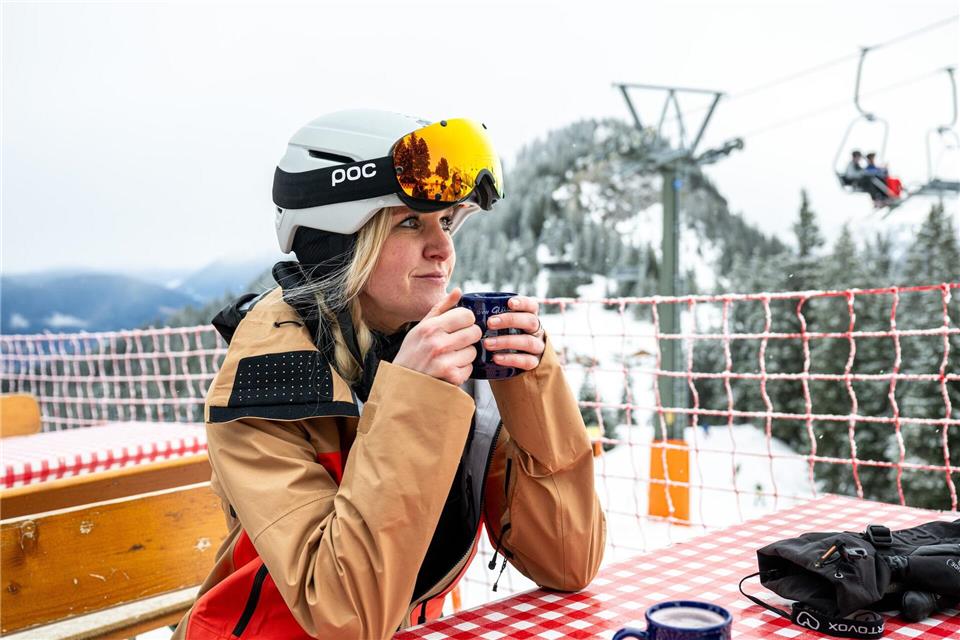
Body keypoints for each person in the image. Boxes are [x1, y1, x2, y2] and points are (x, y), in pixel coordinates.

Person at [171, 110, 606, 639]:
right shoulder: (267, 385)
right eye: (410, 222)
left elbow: (567, 559)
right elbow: (345, 613)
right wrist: (415, 398)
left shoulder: (448, 353)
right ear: (339, 241)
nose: (443, 248)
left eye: (447, 222)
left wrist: (531, 385)